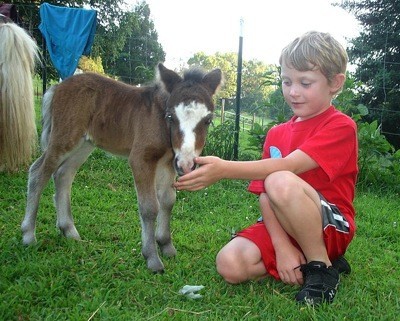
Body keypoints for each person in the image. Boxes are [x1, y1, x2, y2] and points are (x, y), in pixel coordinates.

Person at [174, 31, 358, 305]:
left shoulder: (341, 126)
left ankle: (322, 267)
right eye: (286, 81)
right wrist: (282, 247)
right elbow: (264, 194)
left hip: (330, 225)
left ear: (335, 82)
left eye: (305, 83)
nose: (293, 91)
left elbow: (288, 167)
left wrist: (225, 169)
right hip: (282, 221)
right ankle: (304, 259)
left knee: (280, 179)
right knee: (230, 265)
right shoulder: (276, 133)